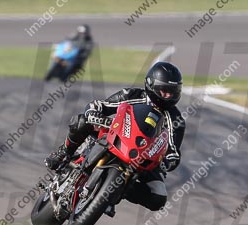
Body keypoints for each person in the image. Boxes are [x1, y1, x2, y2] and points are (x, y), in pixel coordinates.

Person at [45, 61, 185, 212]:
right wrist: (94, 113)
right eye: (164, 91)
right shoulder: (132, 95)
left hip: (143, 158)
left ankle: (116, 191)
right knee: (82, 121)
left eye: (172, 92)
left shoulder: (176, 119)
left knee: (158, 198)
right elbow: (100, 105)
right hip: (117, 135)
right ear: (152, 85)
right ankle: (64, 152)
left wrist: (167, 162)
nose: (168, 96)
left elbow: (173, 151)